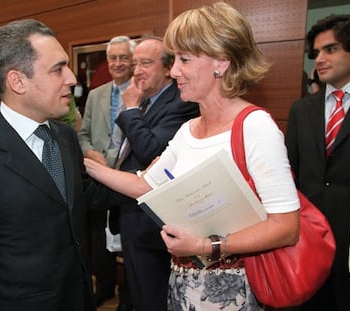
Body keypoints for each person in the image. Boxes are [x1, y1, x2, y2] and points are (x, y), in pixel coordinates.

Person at [84, 2, 300, 310]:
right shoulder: (188, 130)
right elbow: (147, 185)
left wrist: (204, 246)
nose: (173, 72)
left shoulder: (255, 127)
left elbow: (286, 226)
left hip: (232, 291)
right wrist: (86, 166)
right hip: (182, 286)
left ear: (221, 63)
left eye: (184, 59)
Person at [0, 19, 95, 311]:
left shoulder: (63, 135)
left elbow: (79, 197)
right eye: (57, 69)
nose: (72, 78)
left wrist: (149, 179)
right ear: (17, 81)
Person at [87, 36, 199, 311]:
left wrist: (132, 108)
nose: (137, 71)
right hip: (130, 210)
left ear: (167, 68)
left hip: (152, 219)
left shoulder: (180, 102)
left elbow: (151, 150)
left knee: (152, 293)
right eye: (135, 64)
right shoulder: (150, 100)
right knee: (138, 289)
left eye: (146, 63)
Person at [286, 13, 350, 311]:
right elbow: (290, 172)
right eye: (316, 53)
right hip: (309, 238)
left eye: (331, 49)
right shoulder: (302, 109)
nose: (319, 59)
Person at [78, 35, 136, 310]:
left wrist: (110, 159)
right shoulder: (95, 94)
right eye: (113, 58)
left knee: (128, 239)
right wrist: (89, 153)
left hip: (128, 180)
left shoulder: (142, 93)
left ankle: (128, 295)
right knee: (98, 239)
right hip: (97, 177)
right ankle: (103, 287)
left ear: (133, 61)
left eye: (124, 57)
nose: (117, 63)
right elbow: (83, 135)